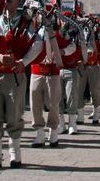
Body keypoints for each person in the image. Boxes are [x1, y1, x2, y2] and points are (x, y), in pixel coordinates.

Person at [0, 0, 44, 171]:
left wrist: (22, 62)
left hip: (15, 74)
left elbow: (37, 44)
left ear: (17, 3)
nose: (5, 4)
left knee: (14, 114)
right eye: (4, 1)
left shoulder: (27, 24)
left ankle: (15, 154)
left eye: (9, 1)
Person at [28, 10, 63, 148]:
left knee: (53, 102)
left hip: (53, 71)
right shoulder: (33, 32)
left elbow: (70, 47)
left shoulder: (59, 33)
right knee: (35, 102)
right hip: (37, 70)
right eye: (41, 16)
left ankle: (53, 131)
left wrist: (61, 52)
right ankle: (39, 133)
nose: (43, 18)